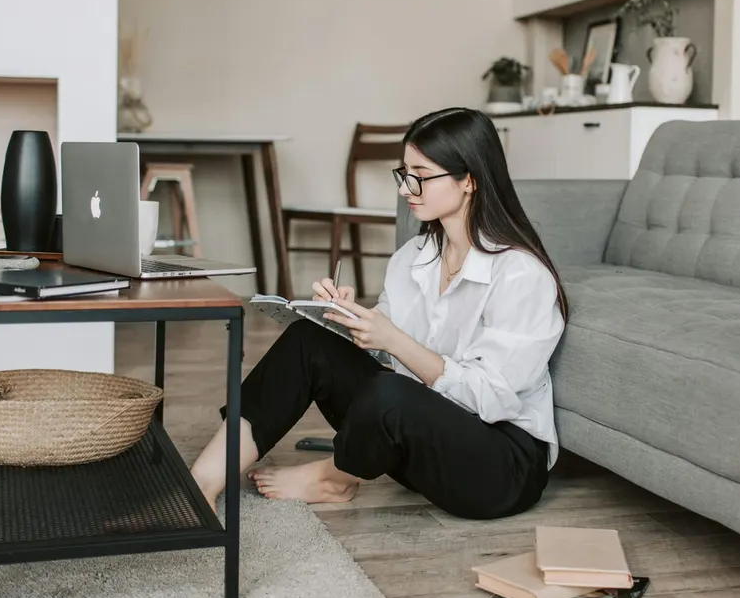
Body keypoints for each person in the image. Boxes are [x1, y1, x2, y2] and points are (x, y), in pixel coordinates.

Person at [188, 106, 569, 520]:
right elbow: (386, 357)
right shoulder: (414, 257)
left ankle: (334, 477)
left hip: (500, 467)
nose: (406, 188)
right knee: (309, 341)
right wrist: (348, 320)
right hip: (425, 438)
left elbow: (491, 399)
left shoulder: (520, 275)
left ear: (469, 181)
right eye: (404, 173)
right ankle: (203, 481)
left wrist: (394, 340)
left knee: (391, 394)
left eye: (421, 175)